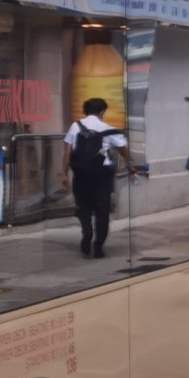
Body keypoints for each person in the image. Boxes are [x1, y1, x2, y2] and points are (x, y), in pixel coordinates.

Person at [64, 97, 126, 258]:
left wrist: (64, 174)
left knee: (83, 206)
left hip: (81, 173)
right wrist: (129, 162)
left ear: (85, 110)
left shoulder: (75, 126)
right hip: (102, 174)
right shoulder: (108, 128)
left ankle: (87, 232)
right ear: (102, 112)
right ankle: (98, 245)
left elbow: (68, 152)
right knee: (102, 210)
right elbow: (123, 147)